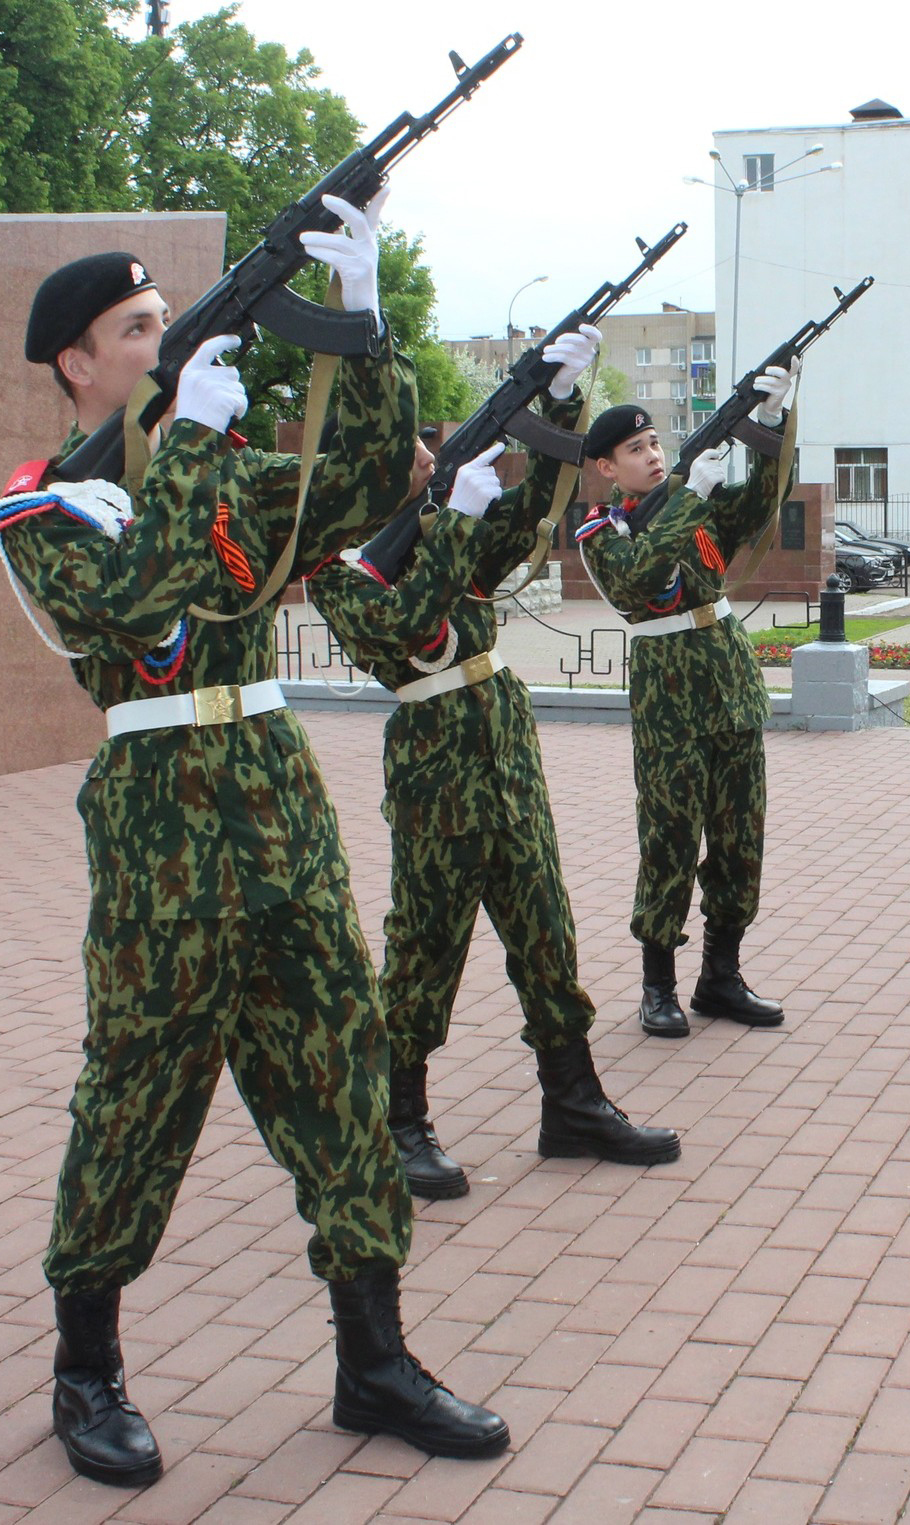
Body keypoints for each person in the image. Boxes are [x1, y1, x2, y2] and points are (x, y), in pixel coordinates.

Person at [0, 196, 508, 1485]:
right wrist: (193, 447)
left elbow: (369, 483)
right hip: (163, 840)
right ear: (76, 363)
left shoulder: (212, 462)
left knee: (342, 1075)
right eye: (137, 326)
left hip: (279, 825)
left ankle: (374, 1358)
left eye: (167, 317)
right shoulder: (46, 511)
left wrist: (363, 330)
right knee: (135, 1103)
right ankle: (87, 1365)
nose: (162, 337)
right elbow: (127, 598)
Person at [306, 324, 681, 1198]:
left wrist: (554, 406)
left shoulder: (445, 523)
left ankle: (573, 1102)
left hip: (504, 750)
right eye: (400, 451)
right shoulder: (335, 566)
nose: (422, 456)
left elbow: (531, 516)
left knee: (546, 933)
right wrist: (451, 525)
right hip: (437, 765)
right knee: (426, 948)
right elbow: (403, 633)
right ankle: (398, 1121)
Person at [574, 365, 797, 1036]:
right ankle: (657, 984)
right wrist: (685, 500)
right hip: (668, 698)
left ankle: (720, 977)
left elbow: (765, 499)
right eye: (634, 450)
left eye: (653, 444)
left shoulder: (689, 506)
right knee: (669, 838)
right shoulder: (603, 530)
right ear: (607, 469)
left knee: (738, 839)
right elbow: (639, 584)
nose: (651, 455)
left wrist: (774, 426)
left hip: (728, 688)